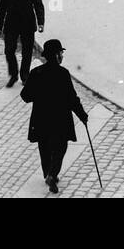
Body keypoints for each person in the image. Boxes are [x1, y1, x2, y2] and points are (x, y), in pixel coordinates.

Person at [19, 38, 89, 194]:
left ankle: (48, 175)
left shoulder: (36, 73)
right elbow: (72, 98)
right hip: (60, 120)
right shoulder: (63, 74)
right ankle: (52, 173)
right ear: (56, 55)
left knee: (44, 148)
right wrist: (82, 115)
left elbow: (25, 96)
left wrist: (38, 93)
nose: (62, 56)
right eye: (61, 53)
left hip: (41, 119)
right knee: (60, 148)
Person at [0, 0, 45, 86]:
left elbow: (38, 5)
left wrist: (41, 23)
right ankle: (13, 75)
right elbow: (2, 8)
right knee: (9, 50)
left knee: (27, 51)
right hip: (11, 25)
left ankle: (25, 76)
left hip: (27, 25)